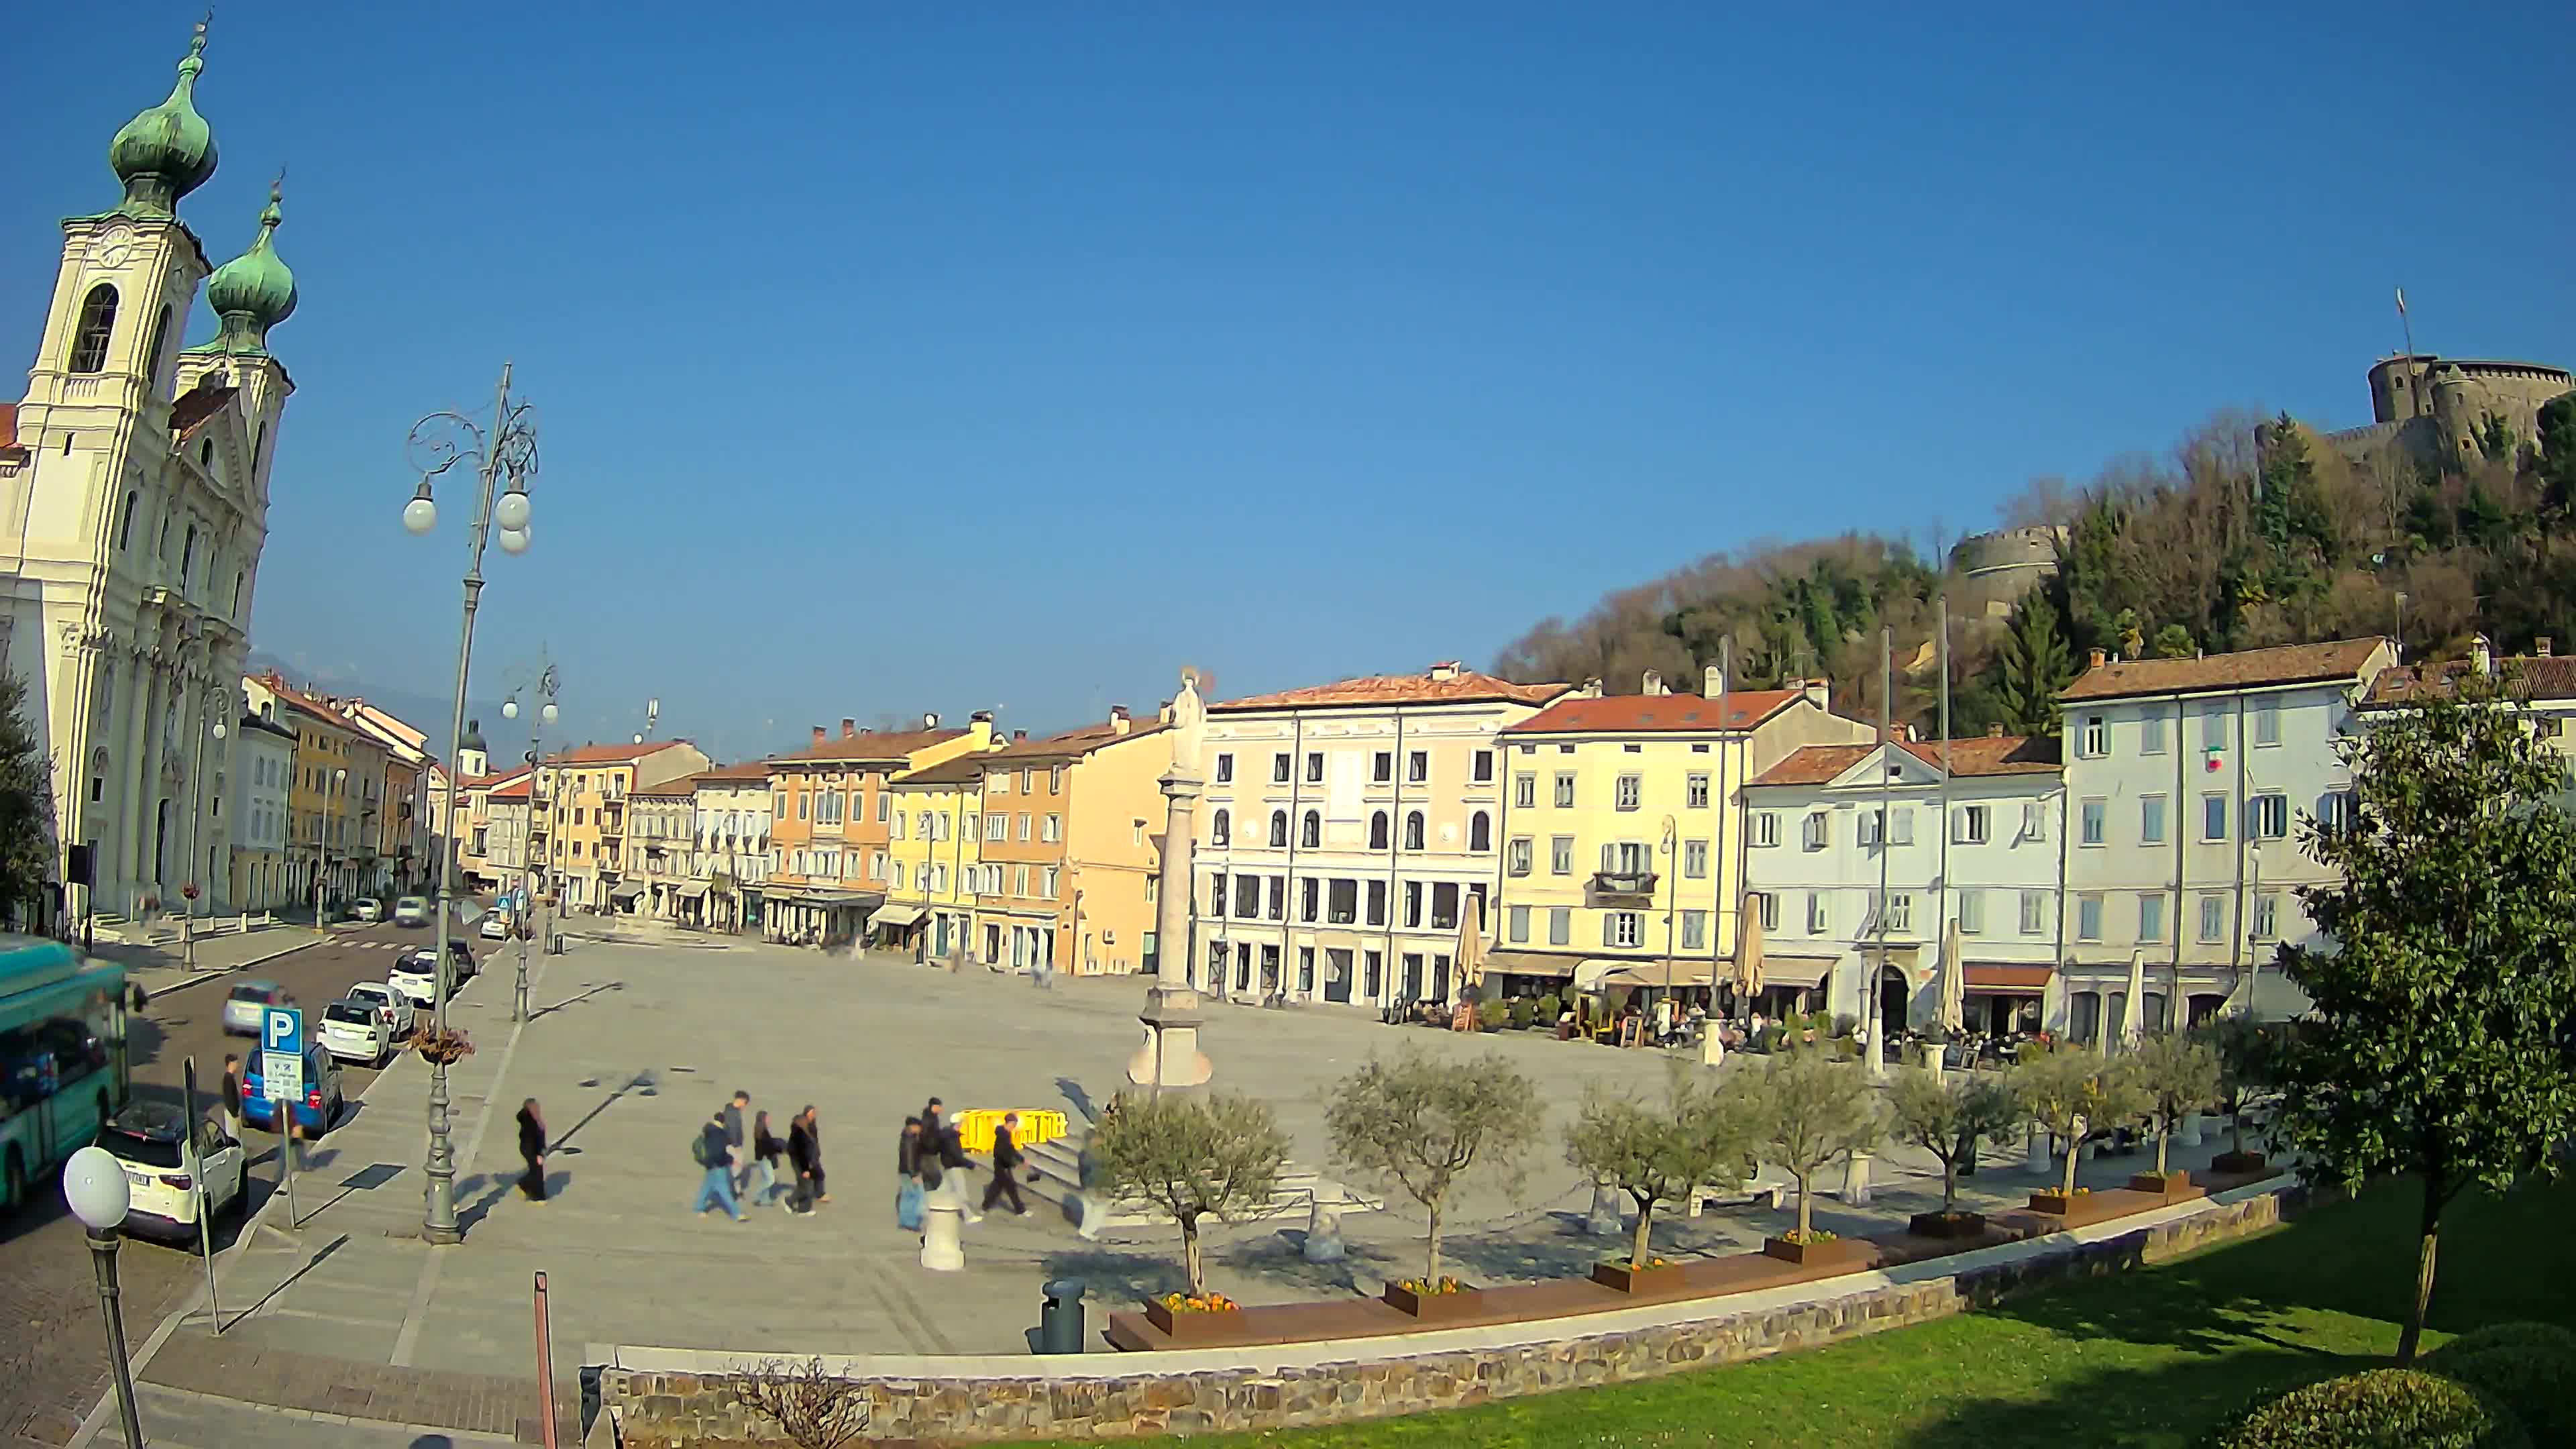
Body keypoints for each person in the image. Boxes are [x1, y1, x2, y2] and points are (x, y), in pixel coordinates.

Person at [693, 1110, 746, 1221]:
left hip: (709, 1164)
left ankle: (698, 1208)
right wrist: (729, 1160)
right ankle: (737, 1214)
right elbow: (719, 1152)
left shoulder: (708, 1129)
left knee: (707, 1188)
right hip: (718, 1165)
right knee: (724, 1191)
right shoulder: (720, 1133)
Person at [981, 1111, 1029, 1215]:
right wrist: (1016, 1164)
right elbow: (1002, 1153)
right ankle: (1021, 1210)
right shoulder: (1003, 1135)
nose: (1014, 1127)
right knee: (1011, 1187)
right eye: (1014, 1125)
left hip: (1002, 1165)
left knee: (997, 1187)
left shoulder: (1005, 1133)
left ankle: (985, 1207)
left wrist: (1021, 1159)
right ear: (1010, 1123)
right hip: (1002, 1165)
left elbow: (1011, 1149)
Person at [788, 1104, 826, 1210]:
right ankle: (792, 1203)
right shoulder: (801, 1130)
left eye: (814, 1113)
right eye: (812, 1113)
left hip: (812, 1157)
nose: (814, 1115)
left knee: (819, 1176)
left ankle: (818, 1195)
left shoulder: (811, 1125)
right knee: (806, 1184)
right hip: (805, 1160)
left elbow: (814, 1141)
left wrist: (816, 1153)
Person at [750, 1110, 785, 1208]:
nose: (769, 1120)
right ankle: (757, 1196)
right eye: (768, 1118)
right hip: (764, 1159)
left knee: (765, 1178)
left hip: (761, 1158)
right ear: (763, 1120)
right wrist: (780, 1149)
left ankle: (764, 1200)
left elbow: (767, 1145)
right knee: (770, 1180)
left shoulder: (759, 1130)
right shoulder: (763, 1132)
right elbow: (768, 1147)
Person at [517, 1098, 548, 1203]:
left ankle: (524, 1184)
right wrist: (537, 1155)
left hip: (535, 1149)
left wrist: (543, 1149)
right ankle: (538, 1197)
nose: (538, 1109)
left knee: (535, 1170)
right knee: (537, 1172)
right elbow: (530, 1141)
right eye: (535, 1108)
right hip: (529, 1150)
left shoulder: (535, 1120)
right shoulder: (529, 1124)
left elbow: (540, 1137)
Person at [724, 1089, 753, 1193]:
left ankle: (736, 1190)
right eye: (745, 1103)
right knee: (736, 1168)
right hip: (733, 1145)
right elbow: (733, 1129)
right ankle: (730, 1189)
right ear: (741, 1100)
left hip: (731, 1144)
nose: (745, 1106)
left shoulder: (730, 1109)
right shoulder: (733, 1113)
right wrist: (737, 1146)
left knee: (735, 1167)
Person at [218, 1053, 243, 1142]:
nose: (237, 1065)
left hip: (233, 1112)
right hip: (232, 1113)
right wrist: (234, 1113)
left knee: (236, 1134)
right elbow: (229, 1098)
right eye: (236, 1063)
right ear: (230, 1064)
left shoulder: (230, 1077)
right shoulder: (228, 1079)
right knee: (234, 1136)